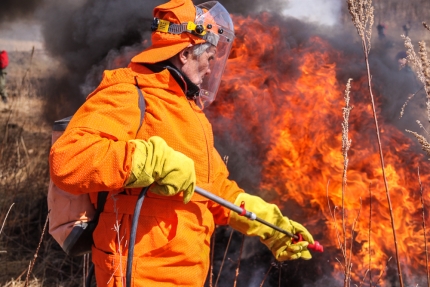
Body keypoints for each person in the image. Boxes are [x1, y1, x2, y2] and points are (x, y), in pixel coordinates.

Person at [49, 0, 315, 286]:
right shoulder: (129, 93)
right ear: (186, 53)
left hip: (186, 275)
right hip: (139, 275)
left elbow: (212, 188)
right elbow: (68, 159)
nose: (213, 69)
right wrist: (150, 160)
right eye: (210, 58)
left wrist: (267, 223)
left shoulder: (188, 110)